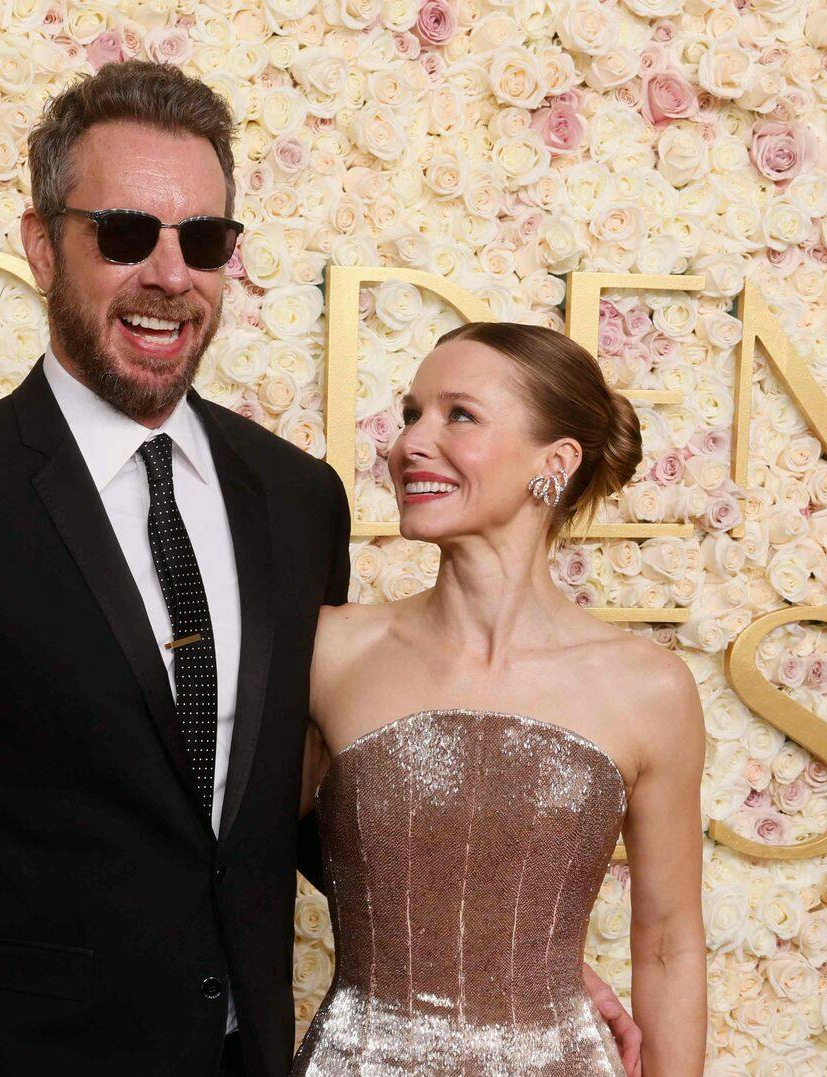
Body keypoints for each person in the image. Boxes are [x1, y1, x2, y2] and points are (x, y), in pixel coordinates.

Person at [0, 60, 640, 1077]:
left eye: (205, 240)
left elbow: (288, 798)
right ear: (41, 246)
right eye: (126, 234)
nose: (169, 274)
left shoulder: (295, 498)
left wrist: (502, 954)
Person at [288, 322, 708, 1075]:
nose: (410, 441)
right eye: (412, 412)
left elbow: (670, 941)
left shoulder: (649, 687)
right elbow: (233, 860)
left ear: (555, 463)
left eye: (459, 415)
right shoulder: (328, 651)